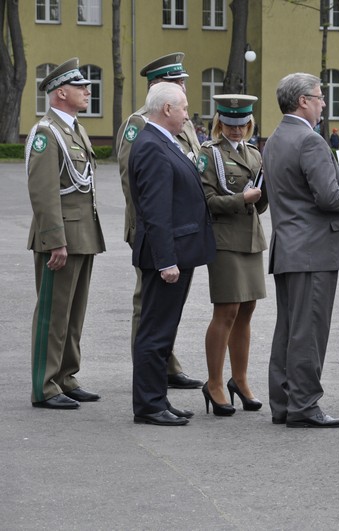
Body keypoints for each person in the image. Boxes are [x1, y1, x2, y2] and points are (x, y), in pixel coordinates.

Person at [262, 73, 339, 428]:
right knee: (309, 331)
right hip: (313, 249)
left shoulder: (275, 138)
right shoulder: (310, 140)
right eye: (319, 96)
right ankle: (305, 405)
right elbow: (329, 197)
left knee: (289, 329)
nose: (324, 103)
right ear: (302, 101)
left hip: (289, 248)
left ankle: (284, 402)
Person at [129, 82, 216, 426]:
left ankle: (158, 399)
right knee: (155, 332)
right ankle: (149, 405)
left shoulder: (162, 141)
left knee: (164, 331)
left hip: (178, 253)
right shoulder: (152, 145)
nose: (187, 115)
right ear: (167, 109)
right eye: (184, 108)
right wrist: (166, 260)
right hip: (166, 257)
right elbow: (156, 211)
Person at [116, 52, 203, 390]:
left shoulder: (185, 122)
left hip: (180, 228)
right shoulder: (139, 124)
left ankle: (166, 362)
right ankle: (149, 372)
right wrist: (146, 230)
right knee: (149, 304)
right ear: (158, 87)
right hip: (153, 229)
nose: (183, 88)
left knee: (170, 303)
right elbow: (133, 182)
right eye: (176, 83)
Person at [26, 58, 105, 409]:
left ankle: (65, 376)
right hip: (60, 239)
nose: (87, 91)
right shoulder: (47, 132)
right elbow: (43, 192)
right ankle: (44, 386)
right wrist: (55, 240)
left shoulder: (75, 129)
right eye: (80, 87)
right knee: (53, 314)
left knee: (73, 313)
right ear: (61, 92)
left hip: (83, 235)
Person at [197, 95, 269, 416]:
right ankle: (214, 383)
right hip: (224, 239)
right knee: (226, 310)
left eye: (242, 124)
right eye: (229, 124)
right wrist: (243, 199)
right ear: (220, 123)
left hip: (251, 238)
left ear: (249, 124)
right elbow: (207, 201)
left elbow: (260, 205)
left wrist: (265, 191)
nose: (236, 130)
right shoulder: (209, 153)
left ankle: (239, 380)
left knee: (247, 310)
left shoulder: (254, 153)